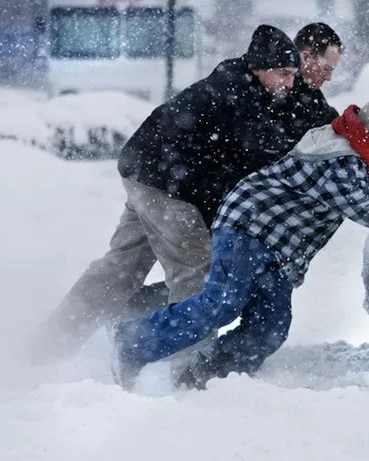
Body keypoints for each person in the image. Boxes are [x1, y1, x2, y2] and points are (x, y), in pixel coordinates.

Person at [112, 97, 369, 390]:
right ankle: (131, 343)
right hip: (247, 228)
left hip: (276, 249)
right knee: (220, 305)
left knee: (269, 326)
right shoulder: (341, 159)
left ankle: (206, 379)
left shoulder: (355, 150)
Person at [30, 24, 341, 364]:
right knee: (199, 274)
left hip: (147, 172)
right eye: (323, 68)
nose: (292, 81)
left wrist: (358, 139)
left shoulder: (269, 87)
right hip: (167, 185)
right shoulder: (242, 94)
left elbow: (315, 125)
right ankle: (180, 368)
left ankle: (47, 348)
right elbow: (261, 150)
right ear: (267, 66)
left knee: (121, 269)